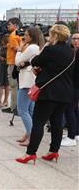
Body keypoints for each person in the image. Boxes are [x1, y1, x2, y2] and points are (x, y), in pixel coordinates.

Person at [16, 24, 75, 164]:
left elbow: (35, 61)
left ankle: (30, 153)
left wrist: (47, 45)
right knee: (57, 123)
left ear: (55, 35)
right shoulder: (71, 52)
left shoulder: (50, 49)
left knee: (38, 123)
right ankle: (53, 151)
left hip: (49, 92)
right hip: (65, 92)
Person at [15, 27, 45, 147]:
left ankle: (32, 137)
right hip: (31, 81)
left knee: (22, 110)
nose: (24, 37)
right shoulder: (37, 47)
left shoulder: (32, 47)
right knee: (30, 111)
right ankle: (29, 134)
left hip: (27, 83)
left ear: (31, 37)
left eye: (26, 35)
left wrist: (19, 49)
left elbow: (17, 61)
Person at [61, 31, 79, 146]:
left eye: (78, 38)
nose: (76, 40)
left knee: (69, 109)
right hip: (72, 84)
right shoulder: (72, 52)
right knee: (75, 109)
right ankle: (76, 133)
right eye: (74, 38)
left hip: (75, 85)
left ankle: (71, 137)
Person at [2, 17, 22, 113]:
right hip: (17, 63)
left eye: (9, 24)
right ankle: (16, 106)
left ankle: (14, 107)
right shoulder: (20, 34)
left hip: (13, 63)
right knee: (17, 86)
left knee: (13, 86)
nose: (7, 26)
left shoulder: (13, 35)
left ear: (15, 25)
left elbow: (16, 48)